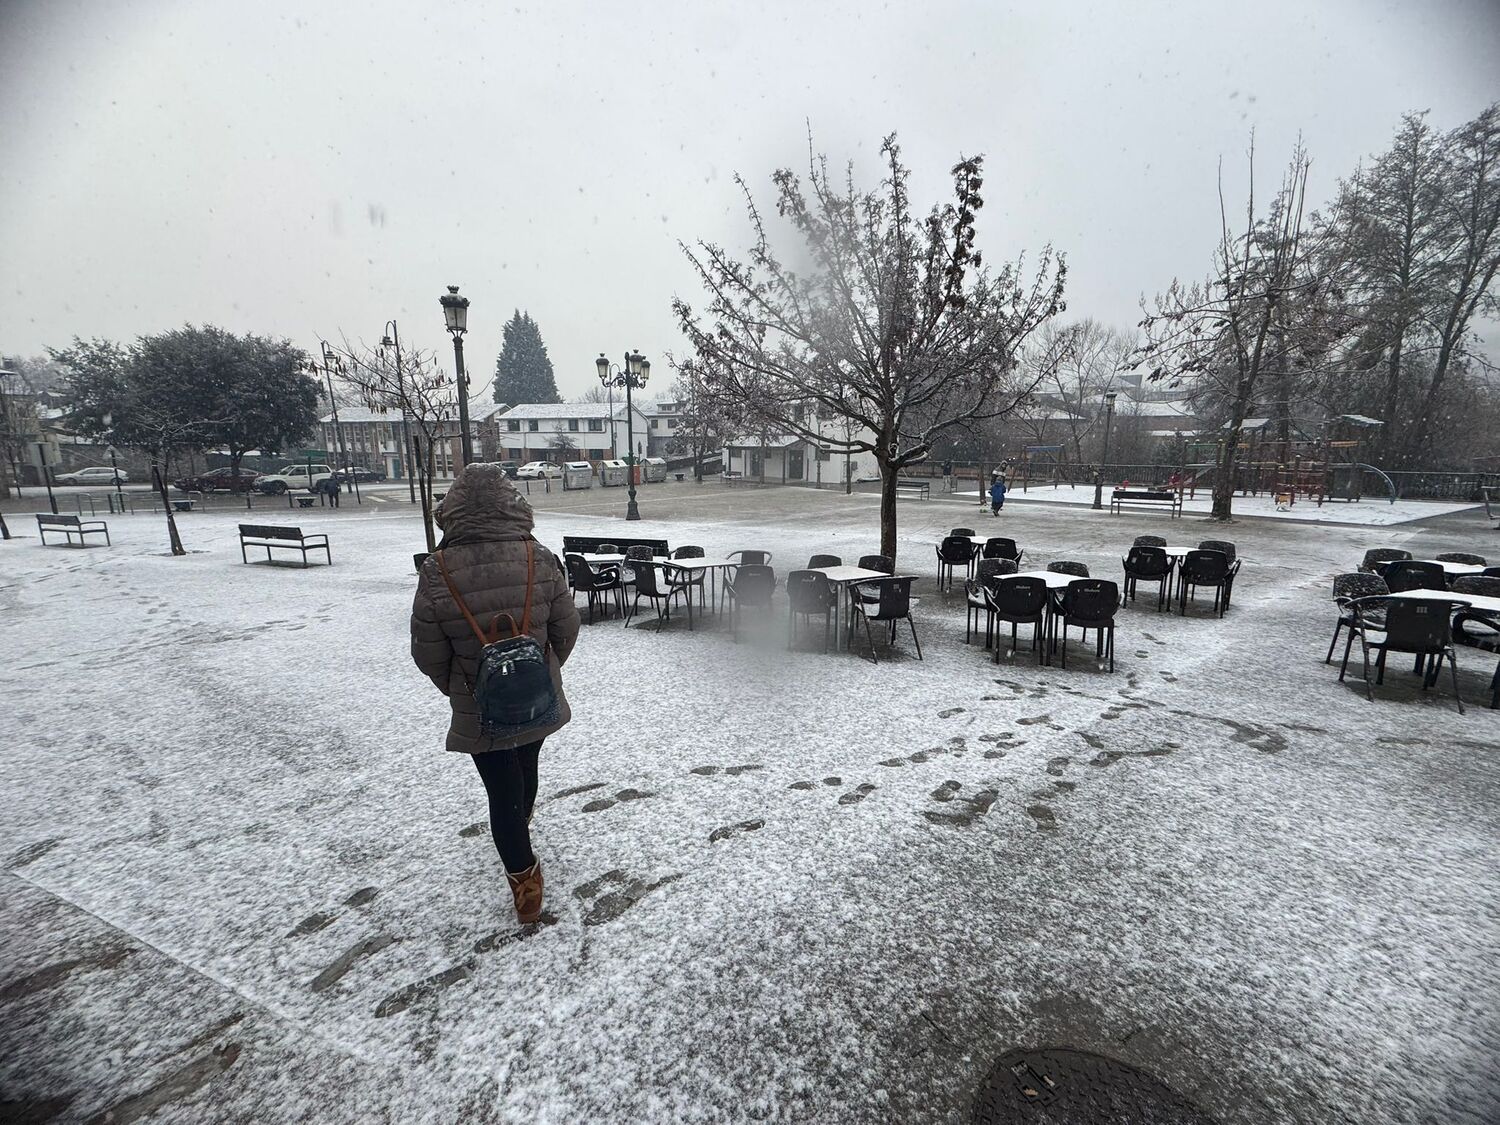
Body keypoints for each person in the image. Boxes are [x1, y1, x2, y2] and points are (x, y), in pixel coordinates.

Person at [410, 463, 580, 923]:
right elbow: (566, 628)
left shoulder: (437, 569)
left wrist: (465, 689)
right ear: (512, 505)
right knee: (526, 764)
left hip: (480, 708)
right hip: (537, 697)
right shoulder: (538, 557)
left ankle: (526, 883)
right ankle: (520, 838)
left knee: (501, 787)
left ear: (454, 511)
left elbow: (427, 652)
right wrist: (539, 670)